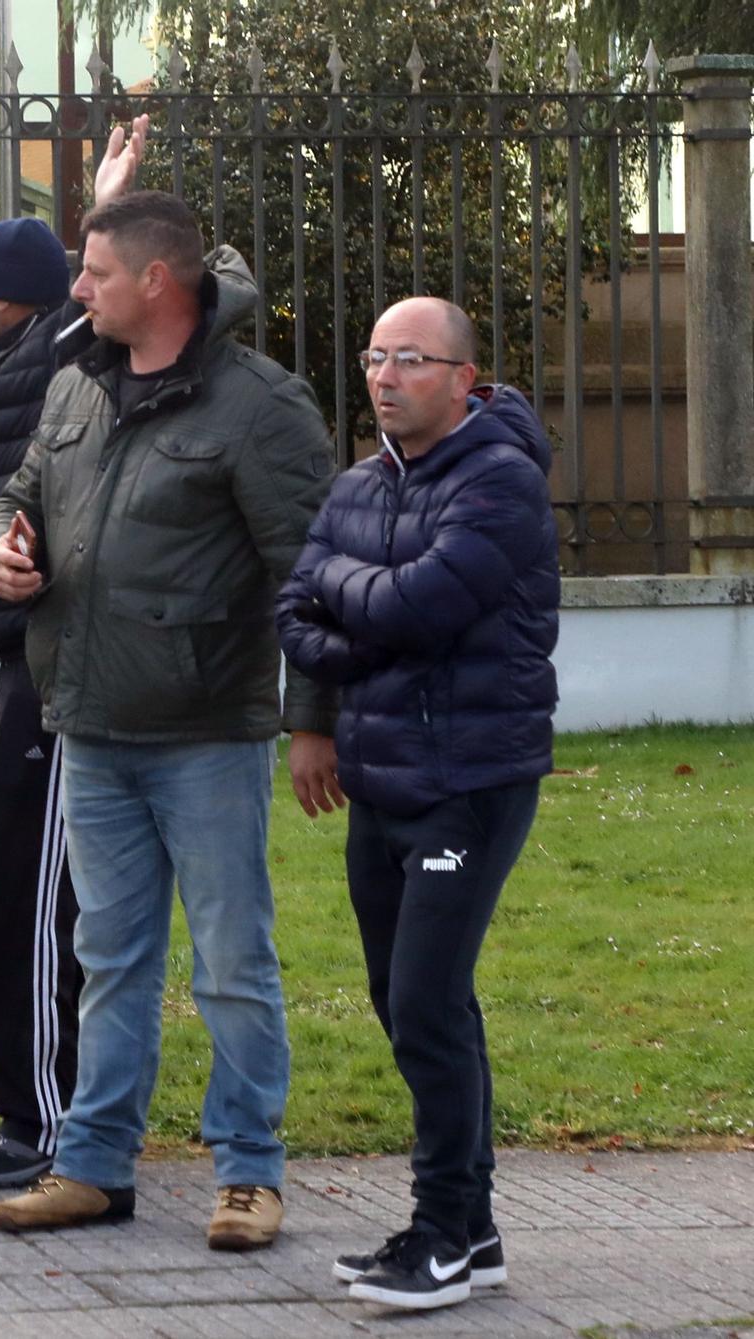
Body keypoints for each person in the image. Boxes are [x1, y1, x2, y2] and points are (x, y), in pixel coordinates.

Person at [0, 189, 342, 1251]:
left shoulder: (259, 406)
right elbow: (18, 495)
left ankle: (247, 1173)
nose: (73, 290)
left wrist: (310, 717)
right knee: (108, 955)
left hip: (206, 736)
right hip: (87, 722)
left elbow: (308, 577)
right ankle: (91, 1165)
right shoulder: (75, 386)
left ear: (154, 282)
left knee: (231, 960)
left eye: (90, 273)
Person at [277, 297, 558, 1311]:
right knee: (400, 998)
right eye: (372, 357)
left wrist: (352, 604)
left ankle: (439, 1231)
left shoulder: (499, 481)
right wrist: (368, 610)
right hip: (380, 783)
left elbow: (420, 607)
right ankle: (468, 1230)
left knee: (425, 1003)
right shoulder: (357, 484)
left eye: (408, 359)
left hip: (468, 782)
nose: (384, 376)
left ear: (462, 379)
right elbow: (292, 604)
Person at [0, 118, 150, 1189]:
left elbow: (91, 304)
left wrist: (103, 205)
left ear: (16, 301)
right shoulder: (8, 359)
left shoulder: (61, 348)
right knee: (11, 890)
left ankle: (49, 1126)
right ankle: (35, 1110)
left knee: (30, 896)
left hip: (61, 668)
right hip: (21, 655)